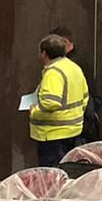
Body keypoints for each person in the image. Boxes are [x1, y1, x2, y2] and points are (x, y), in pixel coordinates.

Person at [30, 34, 90, 168]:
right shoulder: (74, 67)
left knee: (52, 175)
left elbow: (51, 102)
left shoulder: (53, 72)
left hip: (53, 133)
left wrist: (34, 111)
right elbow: (85, 96)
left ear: (44, 53)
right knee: (66, 171)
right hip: (73, 130)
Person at [48, 26, 101, 143]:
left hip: (75, 125)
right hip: (82, 120)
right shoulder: (78, 60)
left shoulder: (68, 64)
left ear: (64, 42)